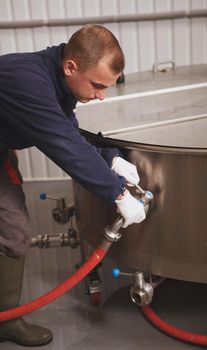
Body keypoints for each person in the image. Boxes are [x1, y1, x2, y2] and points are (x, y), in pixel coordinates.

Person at [0, 24, 146, 346]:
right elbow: (64, 146)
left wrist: (111, 159)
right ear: (71, 66)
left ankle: (5, 320)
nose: (100, 96)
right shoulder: (27, 82)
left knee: (13, 228)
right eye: (97, 85)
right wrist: (118, 193)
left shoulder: (57, 81)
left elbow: (69, 129)